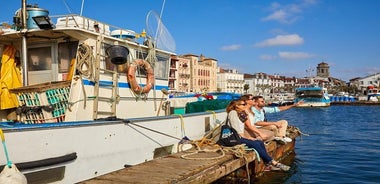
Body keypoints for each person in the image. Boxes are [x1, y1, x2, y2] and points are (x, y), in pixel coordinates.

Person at [226, 99, 290, 171]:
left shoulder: (240, 113)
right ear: (237, 106)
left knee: (259, 142)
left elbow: (246, 123)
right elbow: (236, 129)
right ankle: (274, 163)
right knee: (256, 144)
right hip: (234, 138)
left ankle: (267, 165)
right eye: (243, 104)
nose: (245, 105)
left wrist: (246, 113)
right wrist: (248, 138)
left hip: (239, 137)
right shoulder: (233, 113)